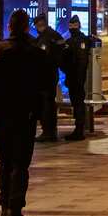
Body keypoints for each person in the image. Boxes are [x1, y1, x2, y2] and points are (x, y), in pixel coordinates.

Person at [0, 9, 54, 216]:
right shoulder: (35, 53)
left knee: (5, 160)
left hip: (1, 114)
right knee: (20, 163)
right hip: (25, 114)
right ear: (26, 27)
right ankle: (15, 209)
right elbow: (48, 82)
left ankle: (4, 207)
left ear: (9, 27)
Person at [60, 14, 95, 141]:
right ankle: (79, 129)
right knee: (78, 103)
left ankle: (79, 130)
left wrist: (68, 71)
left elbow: (63, 61)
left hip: (74, 77)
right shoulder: (85, 40)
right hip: (79, 77)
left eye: (73, 25)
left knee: (77, 104)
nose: (72, 27)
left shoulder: (70, 42)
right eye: (71, 25)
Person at [33, 14, 65, 142]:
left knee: (46, 104)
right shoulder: (54, 35)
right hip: (52, 74)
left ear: (39, 25)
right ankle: (51, 130)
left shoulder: (46, 37)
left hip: (46, 75)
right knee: (50, 103)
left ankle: (48, 131)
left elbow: (42, 57)